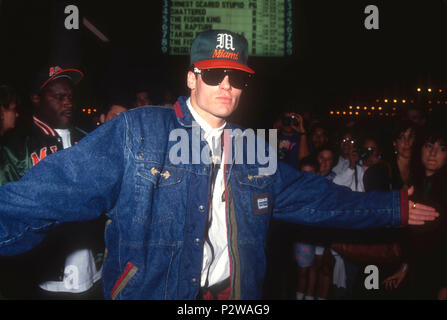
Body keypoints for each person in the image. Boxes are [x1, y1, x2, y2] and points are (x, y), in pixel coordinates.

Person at [0, 30, 439, 300]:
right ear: (192, 78)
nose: (226, 85)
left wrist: (392, 208)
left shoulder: (252, 150)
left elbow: (316, 199)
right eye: (213, 74)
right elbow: (55, 188)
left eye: (238, 77)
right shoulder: (140, 132)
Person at [0, 66, 105, 299]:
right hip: (44, 278)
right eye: (59, 97)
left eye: (70, 96)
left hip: (94, 269)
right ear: (36, 99)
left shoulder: (90, 137)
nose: (68, 103)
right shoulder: (17, 147)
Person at [383, 125, 447, 299]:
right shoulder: (416, 183)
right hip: (417, 271)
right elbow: (414, 237)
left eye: (441, 149)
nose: (433, 154)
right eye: (428, 146)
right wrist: (404, 268)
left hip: (438, 274)